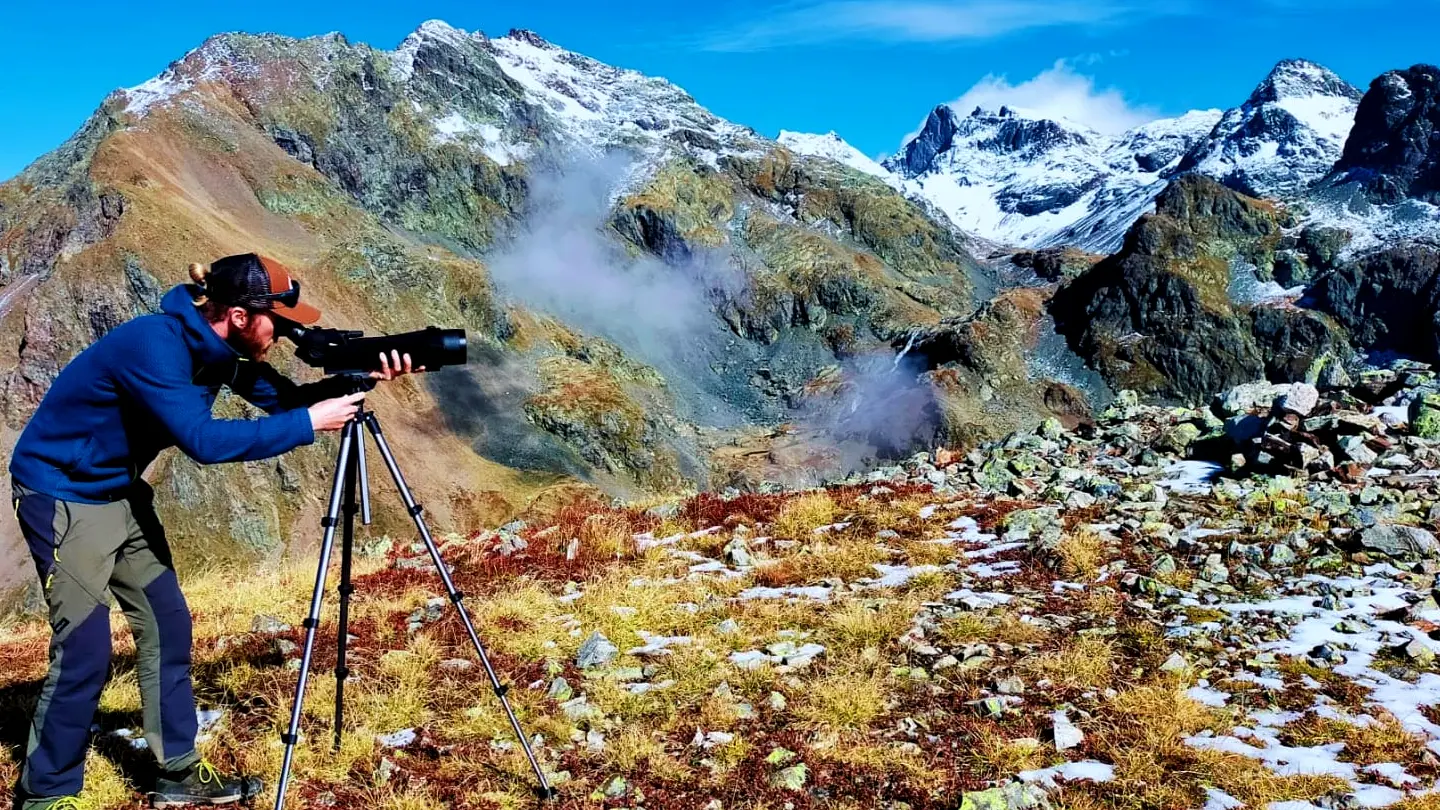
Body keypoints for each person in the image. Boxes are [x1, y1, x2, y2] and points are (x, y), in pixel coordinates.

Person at [8, 253, 422, 809]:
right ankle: (46, 792)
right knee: (84, 650)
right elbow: (203, 442)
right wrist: (307, 425)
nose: (287, 332)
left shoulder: (221, 348)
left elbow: (287, 399)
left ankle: (176, 771)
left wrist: (360, 377)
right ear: (240, 314)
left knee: (168, 624)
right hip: (64, 493)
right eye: (280, 319)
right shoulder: (153, 345)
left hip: (119, 489)